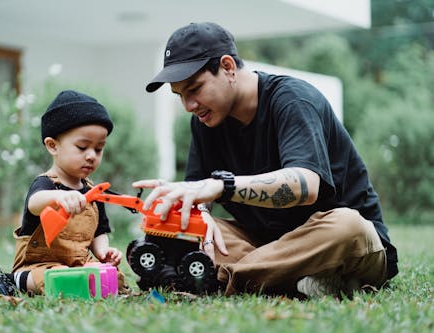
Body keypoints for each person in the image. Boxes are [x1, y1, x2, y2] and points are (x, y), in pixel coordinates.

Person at [134, 22, 398, 298]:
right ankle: (295, 281)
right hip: (266, 246)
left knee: (347, 226)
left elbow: (304, 187)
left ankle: (222, 279)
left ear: (227, 67)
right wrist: (182, 208)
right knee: (184, 231)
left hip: (338, 241)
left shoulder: (293, 99)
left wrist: (223, 186)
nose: (188, 105)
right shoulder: (205, 121)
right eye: (180, 96)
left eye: (195, 89)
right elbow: (201, 202)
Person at [0, 90, 124, 297]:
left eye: (98, 149)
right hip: (39, 264)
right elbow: (34, 204)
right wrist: (58, 198)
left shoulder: (92, 192)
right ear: (53, 146)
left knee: (112, 277)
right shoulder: (45, 184)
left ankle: (80, 284)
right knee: (57, 277)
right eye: (82, 147)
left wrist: (102, 252)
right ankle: (14, 280)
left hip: (77, 264)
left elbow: (99, 231)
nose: (91, 156)